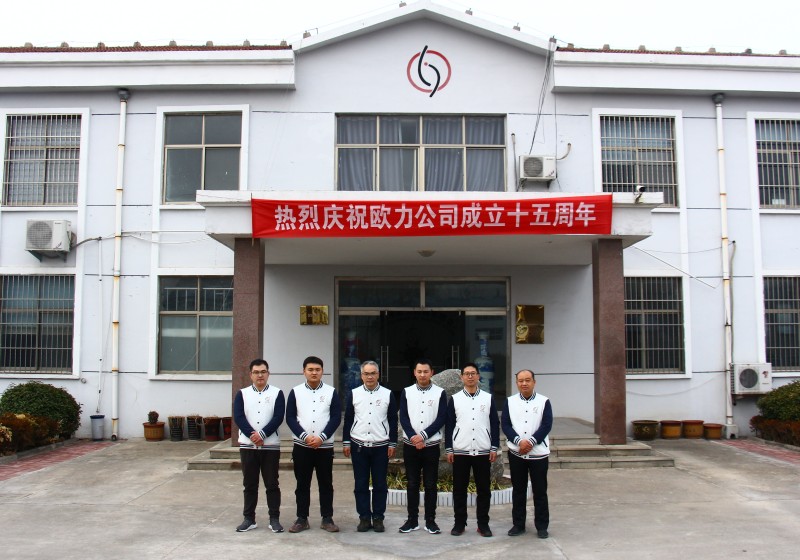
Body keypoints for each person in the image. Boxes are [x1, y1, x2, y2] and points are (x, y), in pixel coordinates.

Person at [285, 356, 342, 533]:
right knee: (302, 484)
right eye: (310, 369)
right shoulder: (295, 392)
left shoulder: (331, 392)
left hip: (324, 447)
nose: (314, 373)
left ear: (322, 371)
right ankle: (302, 519)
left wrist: (322, 437)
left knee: (326, 483)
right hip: (302, 446)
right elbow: (290, 417)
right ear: (304, 371)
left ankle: (327, 518)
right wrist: (304, 436)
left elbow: (335, 417)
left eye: (317, 369)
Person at [342, 360, 398, 533]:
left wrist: (392, 442)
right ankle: (364, 517)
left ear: (378, 374)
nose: (370, 377)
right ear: (361, 376)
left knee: (380, 484)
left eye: (373, 373)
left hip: (381, 446)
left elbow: (393, 419)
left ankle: (378, 518)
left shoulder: (387, 394)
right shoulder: (354, 393)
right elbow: (348, 418)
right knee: (361, 484)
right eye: (366, 373)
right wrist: (346, 441)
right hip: (358, 445)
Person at [445, 362, 499, 538]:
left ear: (478, 376)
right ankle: (459, 523)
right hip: (461, 451)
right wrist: (449, 448)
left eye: (473, 373)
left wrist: (494, 446)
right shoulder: (455, 399)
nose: (470, 376)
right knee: (459, 490)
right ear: (461, 377)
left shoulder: (487, 398)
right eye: (467, 374)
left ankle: (483, 524)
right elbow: (450, 425)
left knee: (483, 490)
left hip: (483, 451)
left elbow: (494, 423)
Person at [233, 358, 285, 533]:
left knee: (272, 484)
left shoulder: (277, 393)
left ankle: (274, 519)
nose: (260, 375)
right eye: (256, 372)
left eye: (263, 372)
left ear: (268, 373)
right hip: (248, 445)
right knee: (250, 484)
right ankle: (249, 519)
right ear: (250, 375)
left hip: (270, 445)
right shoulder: (242, 394)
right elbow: (239, 417)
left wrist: (262, 434)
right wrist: (252, 435)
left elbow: (278, 417)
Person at [501, 368, 553, 539]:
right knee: (519, 490)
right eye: (521, 381)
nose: (524, 383)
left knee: (540, 491)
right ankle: (518, 524)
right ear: (516, 383)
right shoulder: (510, 401)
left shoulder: (544, 401)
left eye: (527, 380)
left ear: (534, 382)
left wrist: (530, 442)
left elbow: (546, 425)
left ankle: (542, 526)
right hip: (517, 453)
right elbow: (506, 424)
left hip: (538, 454)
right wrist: (518, 441)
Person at [397, 358, 447, 534]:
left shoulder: (440, 393)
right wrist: (413, 436)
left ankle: (430, 521)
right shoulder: (407, 391)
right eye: (419, 371)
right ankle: (412, 520)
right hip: (410, 445)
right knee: (412, 483)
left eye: (426, 371)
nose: (423, 374)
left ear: (432, 372)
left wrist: (423, 436)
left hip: (431, 446)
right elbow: (403, 417)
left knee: (431, 484)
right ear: (414, 373)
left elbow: (441, 418)